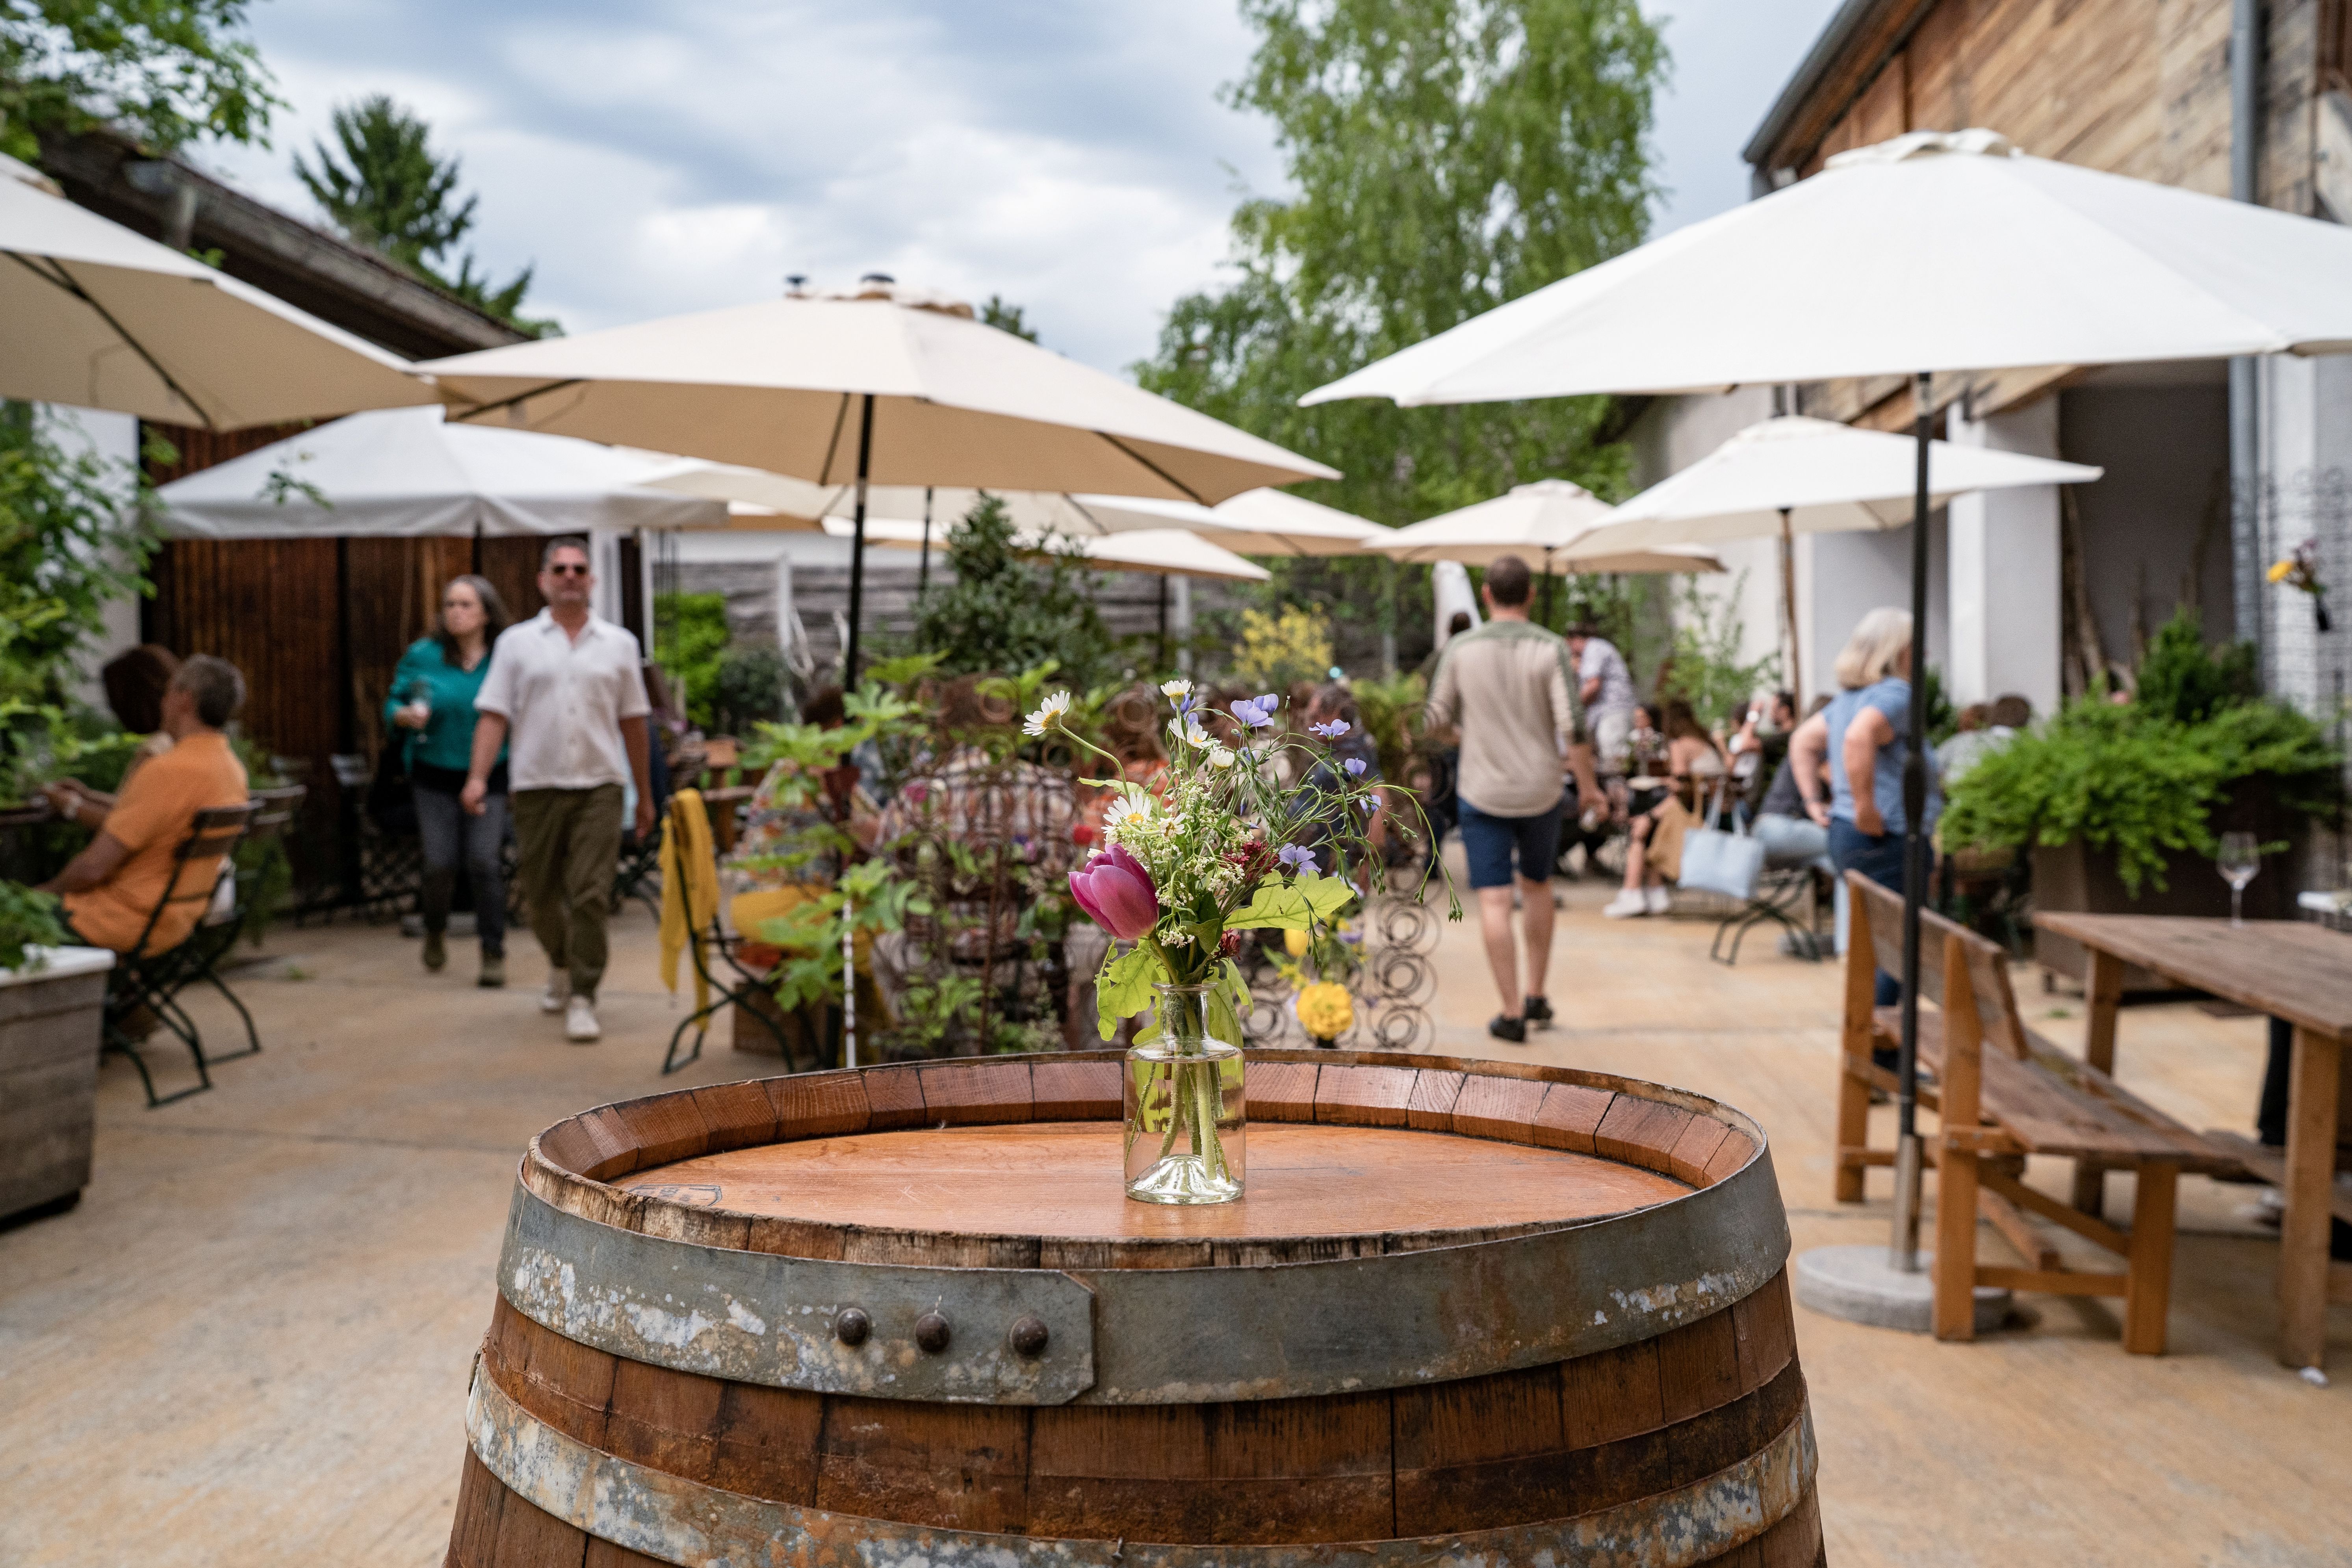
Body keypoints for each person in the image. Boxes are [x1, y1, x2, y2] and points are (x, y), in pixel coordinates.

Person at [464, 538, 655, 1044]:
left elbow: (634, 723)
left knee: (591, 893)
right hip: (536, 786)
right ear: (543, 580)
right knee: (541, 896)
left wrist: (645, 794)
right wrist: (478, 777)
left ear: (592, 580)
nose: (570, 575)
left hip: (600, 786)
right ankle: (562, 965)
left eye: (579, 568)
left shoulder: (619, 644)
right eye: (560, 568)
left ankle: (584, 996)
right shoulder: (516, 644)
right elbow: (494, 715)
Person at [1424, 554, 1601, 1043]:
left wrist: (1466, 737)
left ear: (1486, 595)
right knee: (1538, 886)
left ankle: (1510, 1013)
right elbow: (1573, 726)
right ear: (1530, 595)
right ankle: (1536, 994)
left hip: (1482, 790)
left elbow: (1433, 718)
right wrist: (1588, 787)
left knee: (1496, 899)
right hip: (1541, 789)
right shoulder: (1551, 648)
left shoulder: (1461, 648)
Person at [39, 656, 251, 956]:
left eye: (168, 692)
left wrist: (41, 895)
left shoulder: (167, 770)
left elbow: (91, 870)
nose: (162, 702)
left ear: (185, 700)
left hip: (119, 919)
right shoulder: (231, 770)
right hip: (177, 920)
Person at [1789, 607, 1941, 1016]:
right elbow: (1859, 738)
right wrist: (1864, 806)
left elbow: (1803, 741)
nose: (1925, 653)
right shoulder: (1896, 694)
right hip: (1886, 836)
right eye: (1917, 644)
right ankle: (1882, 1045)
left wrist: (1815, 802)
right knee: (1895, 952)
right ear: (1899, 650)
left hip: (1849, 836)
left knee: (1875, 947)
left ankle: (1870, 1042)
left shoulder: (1848, 700)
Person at [385, 575, 512, 987]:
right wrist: (403, 715)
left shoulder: (504, 658)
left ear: (486, 613)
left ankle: (493, 952)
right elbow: (394, 701)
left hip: (490, 773)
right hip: (434, 771)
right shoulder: (424, 655)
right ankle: (435, 928)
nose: (456, 613)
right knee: (440, 862)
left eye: (465, 605)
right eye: (450, 605)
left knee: (484, 861)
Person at [1604, 696, 1728, 918]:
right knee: (1649, 823)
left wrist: (1651, 816)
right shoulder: (1702, 742)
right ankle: (1655, 892)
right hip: (1715, 812)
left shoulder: (1680, 744)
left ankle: (1632, 893)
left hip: (1697, 816)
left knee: (1642, 825)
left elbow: (1681, 790)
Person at [1566, 623, 1639, 776]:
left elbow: (1593, 686)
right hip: (1609, 712)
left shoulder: (1594, 647)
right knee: (1607, 758)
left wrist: (1571, 708)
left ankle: (1617, 789)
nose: (1570, 650)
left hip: (1613, 711)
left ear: (1576, 639)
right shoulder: (1597, 649)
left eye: (1569, 644)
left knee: (1613, 758)